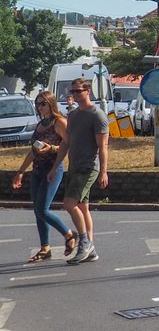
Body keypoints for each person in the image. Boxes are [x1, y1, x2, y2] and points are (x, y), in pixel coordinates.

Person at [10, 91, 77, 262]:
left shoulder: (59, 121)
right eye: (38, 104)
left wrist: (52, 150)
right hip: (38, 169)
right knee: (38, 211)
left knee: (42, 209)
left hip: (52, 168)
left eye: (43, 103)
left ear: (51, 104)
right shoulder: (40, 124)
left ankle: (69, 234)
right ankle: (45, 247)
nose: (39, 107)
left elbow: (68, 145)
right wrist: (20, 172)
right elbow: (33, 151)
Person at [51, 78, 109, 265]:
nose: (75, 95)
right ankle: (90, 248)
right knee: (82, 208)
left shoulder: (97, 115)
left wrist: (104, 172)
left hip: (88, 167)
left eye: (78, 91)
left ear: (88, 91)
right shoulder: (74, 115)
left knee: (69, 204)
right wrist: (55, 166)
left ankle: (84, 242)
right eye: (72, 92)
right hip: (74, 167)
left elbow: (103, 146)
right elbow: (66, 142)